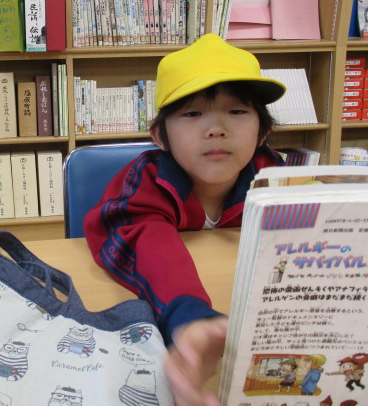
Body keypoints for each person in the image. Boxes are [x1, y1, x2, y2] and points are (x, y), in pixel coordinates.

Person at [84, 33, 287, 405]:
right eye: (192, 114)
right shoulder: (145, 182)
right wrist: (189, 315)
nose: (216, 129)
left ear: (263, 133)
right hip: (182, 324)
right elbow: (148, 239)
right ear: (160, 136)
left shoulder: (275, 180)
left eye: (237, 112)